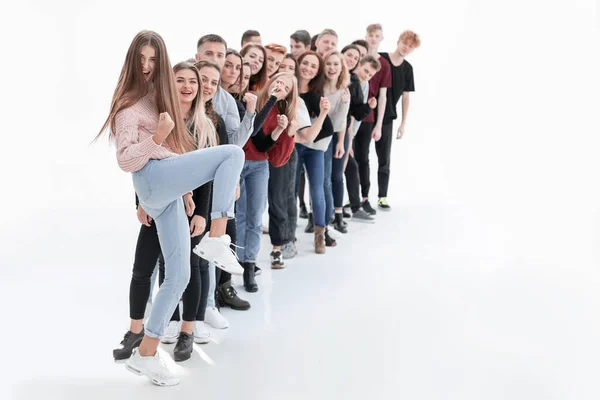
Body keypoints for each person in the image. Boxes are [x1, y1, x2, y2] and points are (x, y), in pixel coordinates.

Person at [97, 31, 244, 386]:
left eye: (153, 60)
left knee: (179, 275)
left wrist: (184, 191)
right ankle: (218, 237)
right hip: (150, 181)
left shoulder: (156, 97)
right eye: (141, 60)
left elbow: (168, 153)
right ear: (132, 61)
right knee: (232, 153)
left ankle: (146, 352)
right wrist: (158, 138)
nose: (146, 67)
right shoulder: (129, 103)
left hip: (164, 188)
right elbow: (125, 160)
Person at [376, 30, 421, 210]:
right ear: (398, 41)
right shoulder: (380, 58)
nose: (406, 48)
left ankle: (382, 196)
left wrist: (403, 123)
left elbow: (406, 97)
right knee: (359, 157)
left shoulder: (408, 68)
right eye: (405, 43)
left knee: (384, 158)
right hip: (369, 113)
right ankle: (357, 197)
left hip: (388, 117)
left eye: (410, 47)